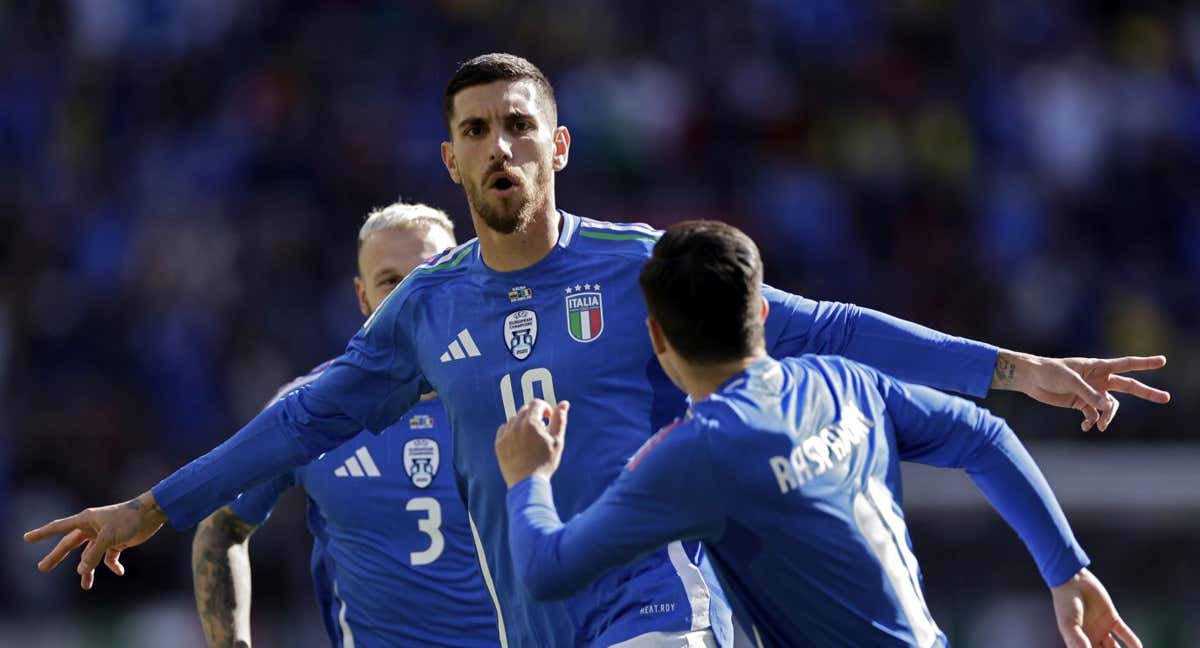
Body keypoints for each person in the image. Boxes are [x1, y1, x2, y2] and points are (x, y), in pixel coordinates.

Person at [25, 54, 1169, 648]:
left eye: (519, 124)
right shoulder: (423, 310)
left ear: (559, 143)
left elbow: (822, 326)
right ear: (453, 159)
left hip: (653, 598)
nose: (501, 145)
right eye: (477, 131)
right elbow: (303, 420)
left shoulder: (639, 265)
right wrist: (156, 507)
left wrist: (1015, 369)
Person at [495, 220, 1143, 648]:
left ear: (657, 338)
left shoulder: (690, 456)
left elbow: (549, 572)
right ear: (765, 312)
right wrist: (1067, 570)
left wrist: (528, 479)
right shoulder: (846, 383)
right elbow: (985, 437)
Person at [190, 203, 500, 647]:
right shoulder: (310, 407)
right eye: (391, 281)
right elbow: (221, 527)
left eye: (430, 271)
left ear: (463, 280)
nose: (413, 294)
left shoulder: (517, 392)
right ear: (362, 298)